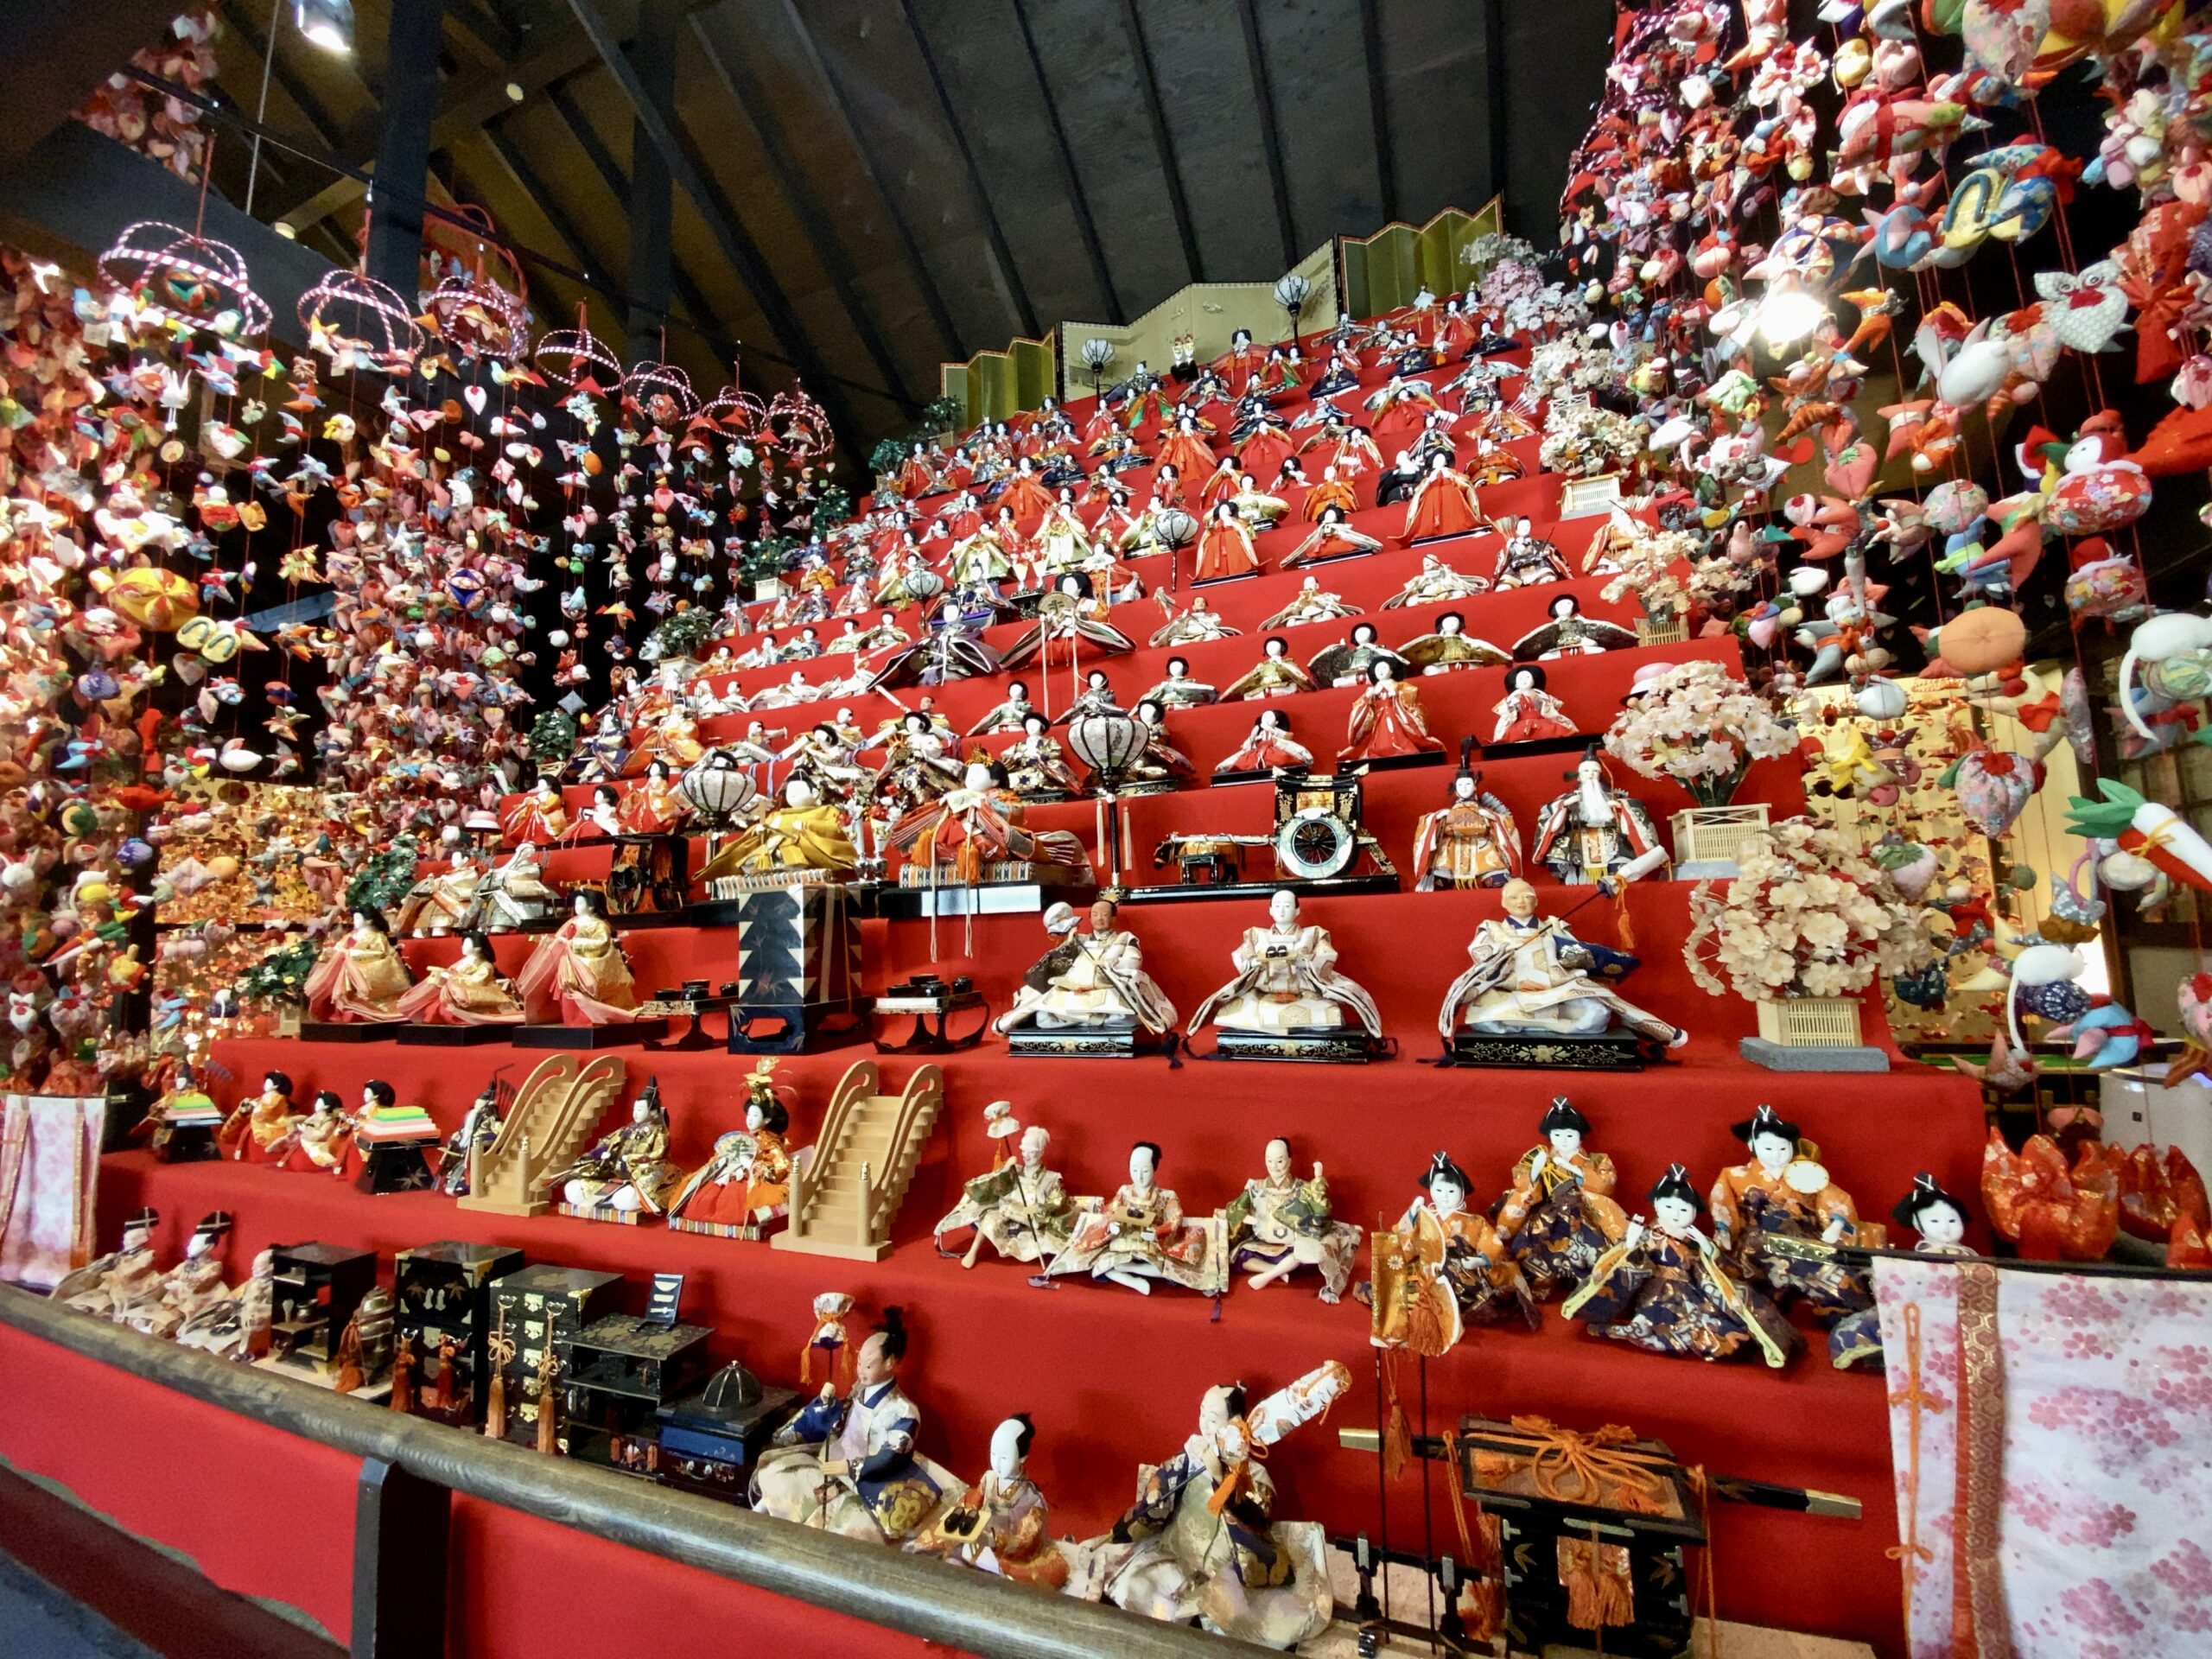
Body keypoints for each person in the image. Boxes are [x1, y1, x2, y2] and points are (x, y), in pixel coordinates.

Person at [752, 1307, 957, 1542]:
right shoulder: (859, 1390)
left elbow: (892, 1456)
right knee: (776, 1476)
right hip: (833, 1463)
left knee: (848, 1530)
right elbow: (839, 1421)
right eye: (859, 1363)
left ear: (890, 1362)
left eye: (868, 1366)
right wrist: (825, 1407)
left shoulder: (903, 1410)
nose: (861, 1371)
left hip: (871, 1483)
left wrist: (851, 1468)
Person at [1563, 1166, 1796, 1367]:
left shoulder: (1692, 1240)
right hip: (1655, 1291)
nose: (1675, 1215)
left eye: (1683, 1210)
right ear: (1656, 1206)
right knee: (1655, 1320)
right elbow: (1621, 1262)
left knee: (1723, 1328)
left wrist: (1706, 1247)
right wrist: (1631, 1243)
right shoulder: (1647, 1234)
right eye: (1669, 1207)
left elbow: (1718, 1269)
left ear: (1693, 1213)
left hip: (1690, 1290)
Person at [1437, 877, 1686, 1048]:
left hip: (1556, 992)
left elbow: (1574, 954)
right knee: (1485, 1021)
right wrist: (1502, 951)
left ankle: (1542, 1025)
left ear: (1536, 902)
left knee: (1598, 1014)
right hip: (1510, 993)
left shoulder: (1554, 926)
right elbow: (1479, 954)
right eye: (1514, 897)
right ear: (1504, 903)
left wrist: (1579, 957)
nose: (1521, 901)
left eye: (1527, 896)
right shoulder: (1492, 929)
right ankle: (1549, 1025)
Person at [1190, 889, 1383, 1039]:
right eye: (1277, 906)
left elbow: (1326, 955)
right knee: (1238, 1015)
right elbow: (1240, 956)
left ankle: (1293, 1025)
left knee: (1328, 1016)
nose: (1282, 910)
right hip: (1264, 993)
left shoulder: (1313, 934)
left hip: (1305, 992)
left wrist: (1303, 961)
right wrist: (1256, 961)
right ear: (1270, 910)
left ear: (1297, 910)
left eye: (1287, 905)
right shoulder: (1257, 935)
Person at [905, 1415, 1069, 1587]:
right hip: (977, 1540)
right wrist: (962, 1523)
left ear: (1022, 1457)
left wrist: (995, 1539)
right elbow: (971, 1503)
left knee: (1014, 1576)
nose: (997, 1463)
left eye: (1004, 1458)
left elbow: (1027, 1540)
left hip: (1008, 1555)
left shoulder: (1031, 1498)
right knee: (953, 1557)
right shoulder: (989, 1479)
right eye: (993, 1454)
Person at [1492, 1100, 1630, 1300]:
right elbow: (1524, 1183)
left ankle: (1585, 1284)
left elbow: (1605, 1184)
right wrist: (1535, 1171)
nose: (1563, 1141)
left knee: (1590, 1245)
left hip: (1582, 1212)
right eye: (1557, 1135)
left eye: (1570, 1135)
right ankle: (1542, 1279)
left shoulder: (1596, 1161)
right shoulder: (1542, 1156)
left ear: (1580, 1136)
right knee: (1536, 1240)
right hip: (1551, 1211)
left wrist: (1574, 1169)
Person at [1043, 1141, 1219, 1294]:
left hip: (1150, 1243)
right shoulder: (1124, 1191)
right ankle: (1133, 1282)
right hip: (1123, 1240)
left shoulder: (1167, 1196)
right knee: (1101, 1265)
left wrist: (1158, 1232)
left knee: (1167, 1268)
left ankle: (1131, 1268)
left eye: (1145, 1170)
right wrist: (1112, 1226)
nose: (1139, 1176)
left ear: (1154, 1168)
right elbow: (1110, 1211)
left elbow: (1175, 1218)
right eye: (1134, 1170)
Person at [995, 897, 1178, 1038]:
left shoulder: (1124, 939)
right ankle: (1089, 1021)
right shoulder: (1079, 940)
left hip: (1107, 990)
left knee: (1126, 1019)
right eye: (1095, 914)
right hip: (1074, 992)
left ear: (1113, 918)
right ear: (1089, 918)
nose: (1099, 918)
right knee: (1043, 1018)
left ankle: (1081, 1020)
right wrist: (1069, 942)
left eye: (1104, 914)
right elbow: (1057, 964)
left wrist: (1111, 965)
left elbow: (1133, 961)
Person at [1225, 1138, 1361, 1302]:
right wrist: (1243, 1217)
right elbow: (1235, 1208)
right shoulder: (1255, 1188)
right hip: (1263, 1245)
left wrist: (1318, 1181)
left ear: (1289, 1161)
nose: (1274, 1166)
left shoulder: (1303, 1188)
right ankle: (1278, 1270)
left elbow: (1322, 1212)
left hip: (1294, 1245)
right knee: (1239, 1256)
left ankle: (1270, 1274)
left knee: (1309, 1254)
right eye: (1269, 1160)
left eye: (1279, 1161)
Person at [933, 1118, 1073, 1268]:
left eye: (1032, 1152)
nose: (1026, 1156)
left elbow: (1055, 1203)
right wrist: (1005, 1170)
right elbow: (994, 1187)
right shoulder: (1015, 1170)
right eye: (1024, 1151)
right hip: (1007, 1213)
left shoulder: (1052, 1178)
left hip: (1031, 1220)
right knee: (989, 1219)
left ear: (1041, 1152)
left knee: (1043, 1242)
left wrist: (1032, 1210)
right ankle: (973, 1251)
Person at [552, 1082, 682, 1217]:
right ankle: (607, 1200)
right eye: (634, 1109)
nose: (635, 1113)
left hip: (638, 1176)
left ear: (653, 1112)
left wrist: (632, 1158)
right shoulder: (627, 1129)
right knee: (572, 1189)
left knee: (627, 1199)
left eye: (640, 1110)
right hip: (613, 1174)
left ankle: (618, 1200)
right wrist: (601, 1153)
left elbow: (658, 1154)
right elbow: (607, 1141)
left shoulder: (659, 1132)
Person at [514, 892, 642, 1024]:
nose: (576, 906)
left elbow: (602, 943)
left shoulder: (599, 924)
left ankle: (592, 1018)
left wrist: (573, 943)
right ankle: (572, 1019)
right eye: (576, 903)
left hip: (591, 961)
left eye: (580, 903)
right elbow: (561, 936)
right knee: (567, 986)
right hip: (570, 960)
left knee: (589, 985)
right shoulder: (572, 921)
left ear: (591, 906)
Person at [1411, 750, 1522, 889]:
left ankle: (1492, 875)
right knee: (1439, 879)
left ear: (1475, 786)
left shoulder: (1484, 811)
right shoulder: (1447, 813)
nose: (1464, 788)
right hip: (1452, 848)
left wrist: (1494, 818)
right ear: (1455, 789)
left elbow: (1507, 823)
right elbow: (1426, 824)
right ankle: (1443, 878)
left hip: (1480, 846)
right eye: (1461, 785)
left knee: (1498, 880)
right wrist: (1436, 818)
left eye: (1468, 784)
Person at [303, 907, 414, 1022]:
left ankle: (357, 1006)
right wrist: (333, 951)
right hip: (350, 963)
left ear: (369, 921)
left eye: (357, 918)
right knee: (329, 968)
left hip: (370, 964)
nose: (355, 921)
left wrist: (351, 953)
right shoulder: (351, 935)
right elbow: (340, 946)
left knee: (347, 969)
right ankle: (336, 1008)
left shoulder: (376, 936)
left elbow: (380, 953)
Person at [397, 931, 525, 1025]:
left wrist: (453, 978)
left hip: (472, 995)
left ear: (478, 948)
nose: (463, 947)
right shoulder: (463, 962)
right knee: (432, 1008)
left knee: (445, 1012)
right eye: (463, 944)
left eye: (466, 944)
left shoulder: (485, 966)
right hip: (454, 995)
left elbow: (476, 981)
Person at [1339, 659, 1444, 764]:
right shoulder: (1373, 689)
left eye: (1384, 668)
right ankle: (1379, 749)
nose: (1380, 671)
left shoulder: (1399, 686)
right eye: (1378, 669)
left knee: (1398, 734)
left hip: (1395, 713)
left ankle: (1401, 747)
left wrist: (1398, 694)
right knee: (1380, 736)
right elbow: (1362, 705)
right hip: (1379, 716)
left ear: (1391, 671)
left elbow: (1411, 693)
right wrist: (1368, 697)